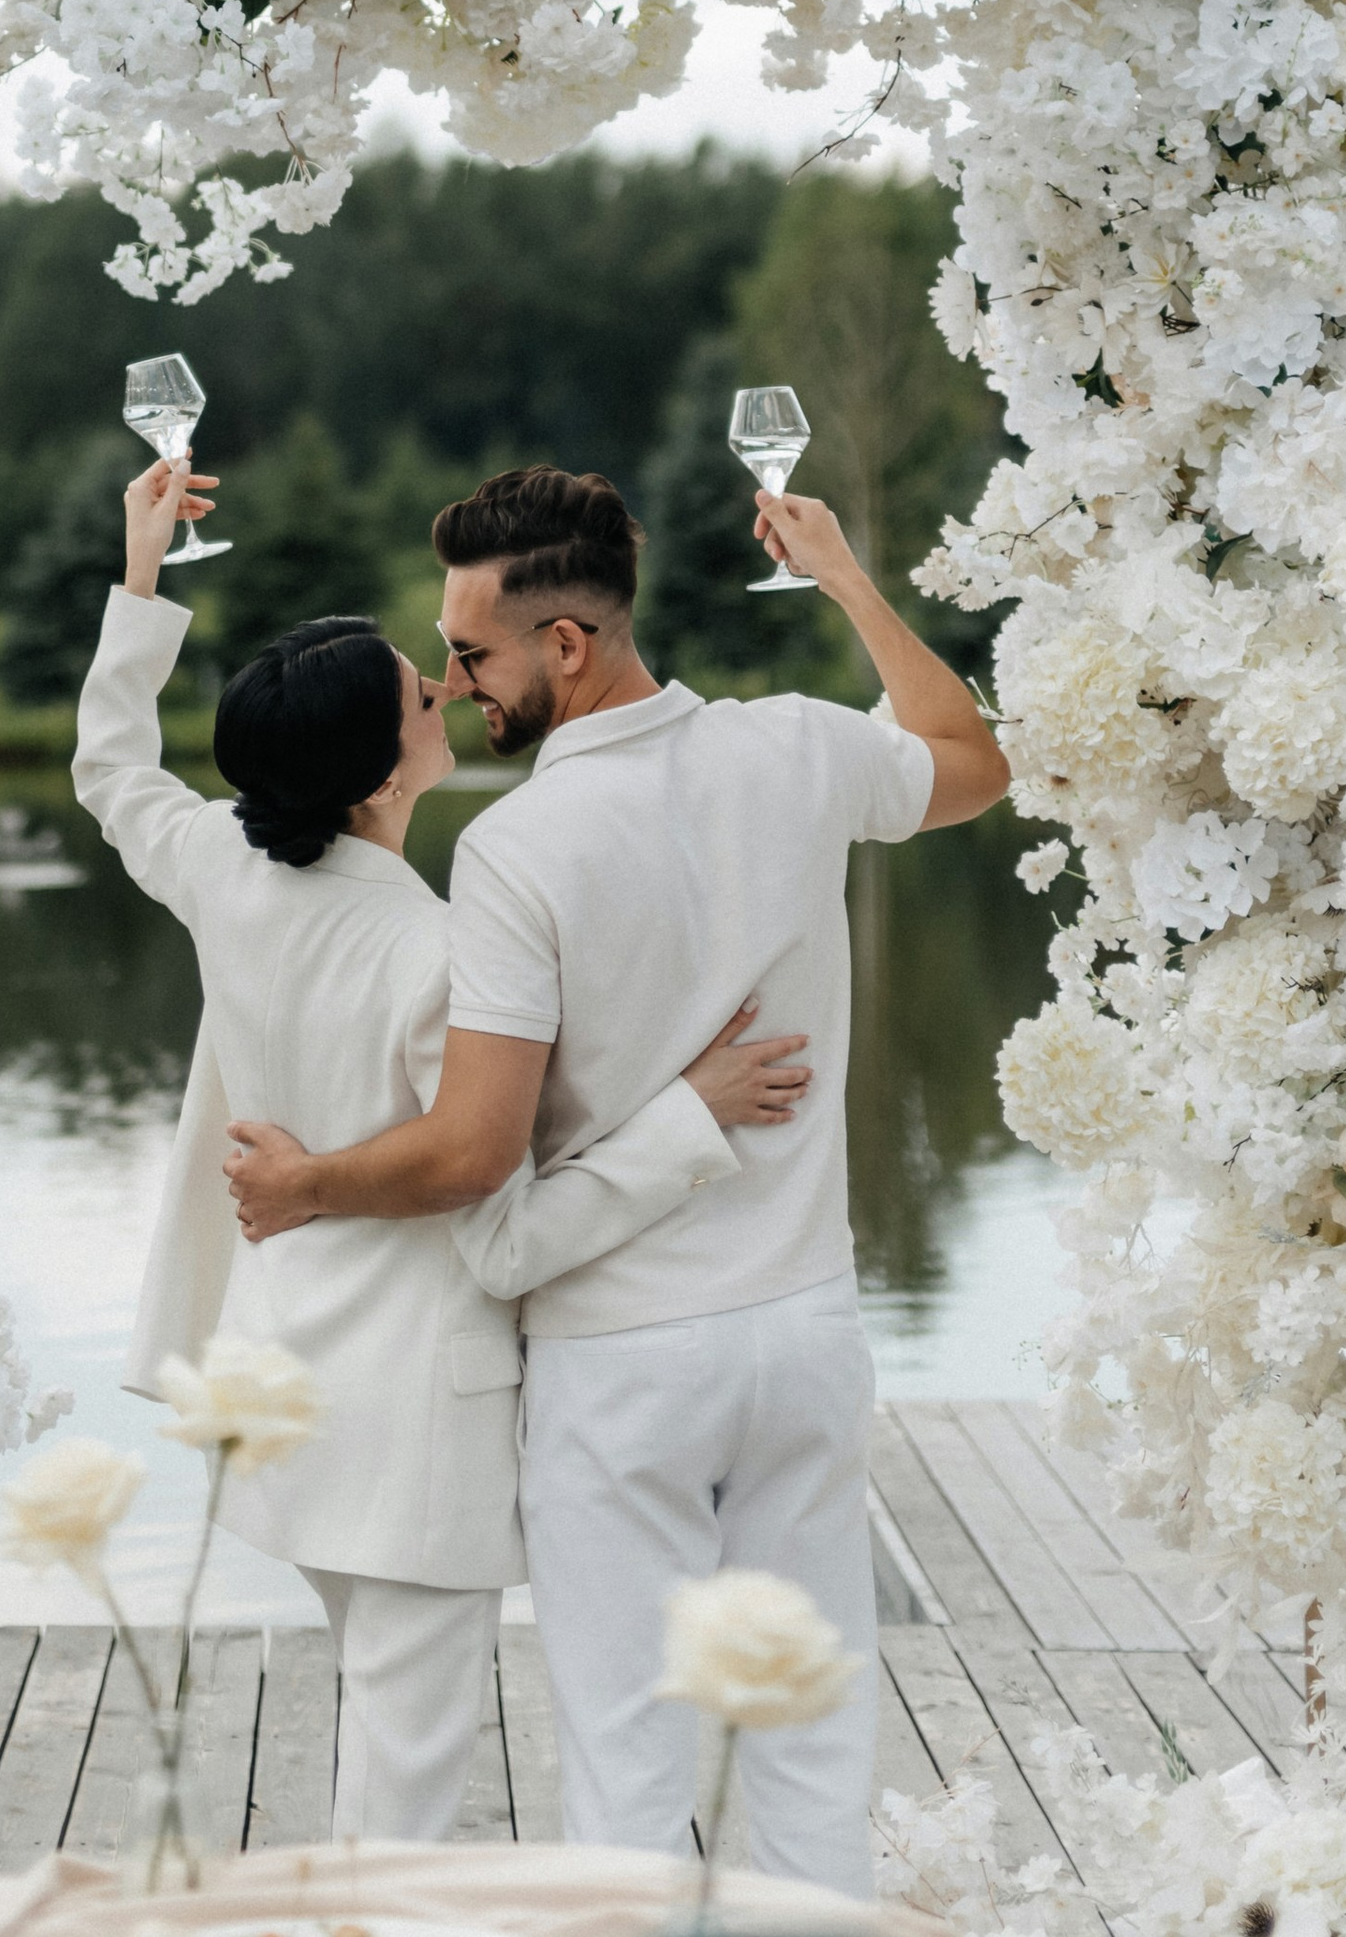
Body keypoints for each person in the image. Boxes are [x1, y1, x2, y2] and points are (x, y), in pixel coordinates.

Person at [224, 462, 1009, 1901]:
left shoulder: (517, 851)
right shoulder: (796, 747)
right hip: (805, 1328)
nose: (457, 687)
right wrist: (843, 577)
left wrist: (312, 1184)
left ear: (565, 645)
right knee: (813, 1740)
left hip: (620, 1361)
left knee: (629, 1772)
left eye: (470, 654)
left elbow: (471, 1158)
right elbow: (971, 759)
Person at [71, 450, 819, 1846]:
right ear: (384, 765)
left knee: (383, 1734)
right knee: (405, 1773)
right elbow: (502, 1226)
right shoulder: (436, 952)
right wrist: (688, 1120)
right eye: (424, 693)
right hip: (412, 1423)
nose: (448, 686)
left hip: (280, 1386)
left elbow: (111, 766)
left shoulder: (221, 876)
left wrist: (142, 570)